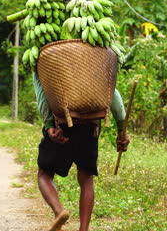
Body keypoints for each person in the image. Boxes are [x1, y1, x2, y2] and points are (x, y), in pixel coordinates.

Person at [33, 71, 130, 231]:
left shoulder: (46, 55)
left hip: (61, 123)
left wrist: (49, 124)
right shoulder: (95, 56)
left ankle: (59, 211)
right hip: (90, 125)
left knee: (44, 174)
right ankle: (83, 229)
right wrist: (121, 129)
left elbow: (42, 92)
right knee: (86, 179)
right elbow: (112, 92)